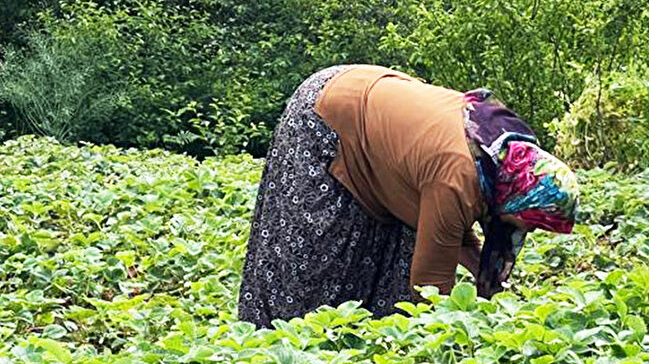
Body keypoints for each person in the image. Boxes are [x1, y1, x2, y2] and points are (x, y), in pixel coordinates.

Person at [237, 64, 579, 327]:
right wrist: (450, 360)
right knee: (314, 262)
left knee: (391, 260)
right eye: (531, 222)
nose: (527, 230)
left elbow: (456, 234)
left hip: (382, 116)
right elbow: (431, 284)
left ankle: (362, 355)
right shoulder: (457, 176)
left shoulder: (500, 156)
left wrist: (491, 293)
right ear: (522, 198)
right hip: (327, 113)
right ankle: (277, 347)